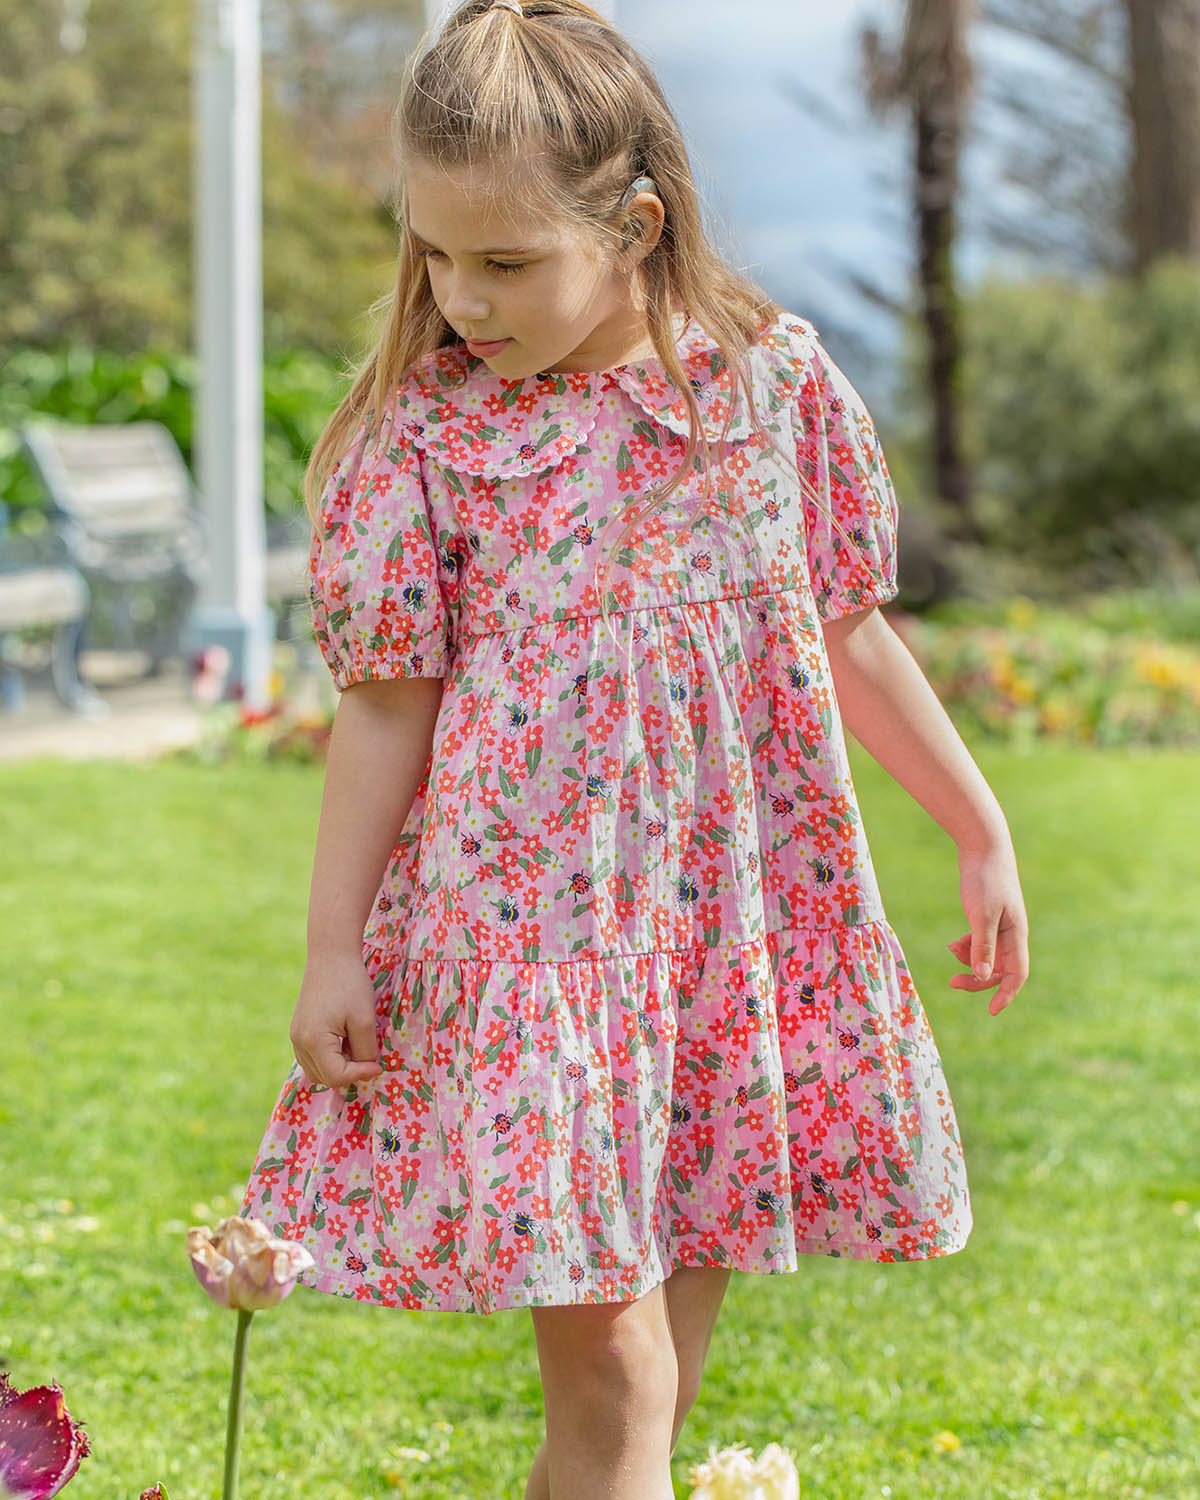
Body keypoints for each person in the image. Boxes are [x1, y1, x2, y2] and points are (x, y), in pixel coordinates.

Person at [238, 1, 1031, 1496]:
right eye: (435, 255)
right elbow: (387, 699)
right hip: (532, 948)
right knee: (617, 1369)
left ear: (638, 223)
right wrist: (334, 946)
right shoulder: (431, 436)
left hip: (711, 945)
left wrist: (978, 826)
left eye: (507, 260)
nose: (462, 298)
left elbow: (847, 629)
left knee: (636, 1406)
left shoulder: (766, 392)